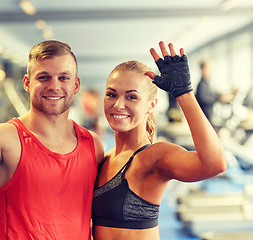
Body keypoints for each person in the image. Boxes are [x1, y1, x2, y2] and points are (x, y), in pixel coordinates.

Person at [0, 22, 104, 239]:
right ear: (27, 83)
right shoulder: (4, 138)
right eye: (44, 77)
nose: (54, 85)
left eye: (64, 78)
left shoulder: (92, 144)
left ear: (76, 85)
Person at [91, 41, 228, 240]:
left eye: (131, 97)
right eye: (112, 94)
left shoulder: (154, 157)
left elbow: (215, 163)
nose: (118, 105)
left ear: (151, 105)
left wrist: (185, 94)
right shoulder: (106, 157)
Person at [195, 59, 237, 125]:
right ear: (203, 69)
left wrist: (222, 95)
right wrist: (219, 98)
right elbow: (204, 99)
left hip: (207, 116)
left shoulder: (207, 83)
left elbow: (213, 93)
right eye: (209, 69)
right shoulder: (201, 85)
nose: (211, 71)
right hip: (205, 117)